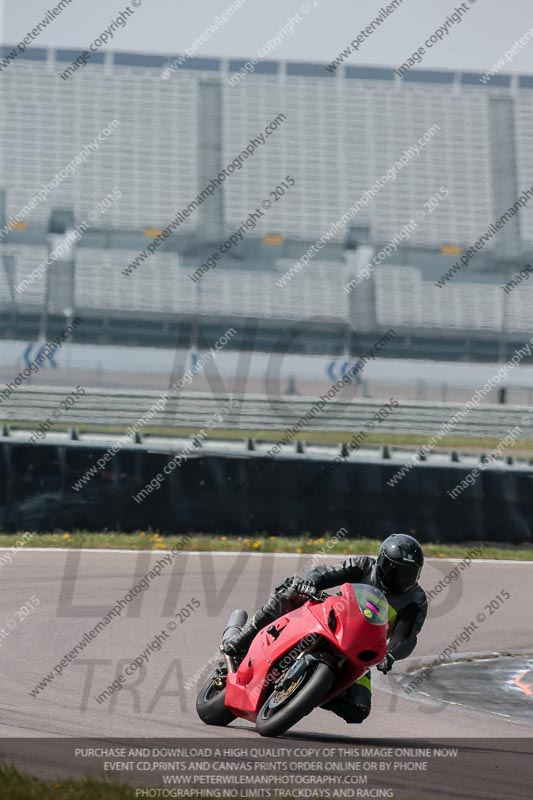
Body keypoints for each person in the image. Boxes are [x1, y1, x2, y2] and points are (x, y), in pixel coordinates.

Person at [221, 533, 427, 724]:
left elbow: (406, 636)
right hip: (329, 619)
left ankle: (309, 692)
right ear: (382, 562)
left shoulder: (415, 600)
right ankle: (242, 638)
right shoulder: (363, 566)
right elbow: (325, 573)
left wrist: (390, 655)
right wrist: (309, 583)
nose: (402, 578)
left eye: (410, 573)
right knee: (290, 591)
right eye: (396, 570)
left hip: (359, 650)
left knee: (358, 710)